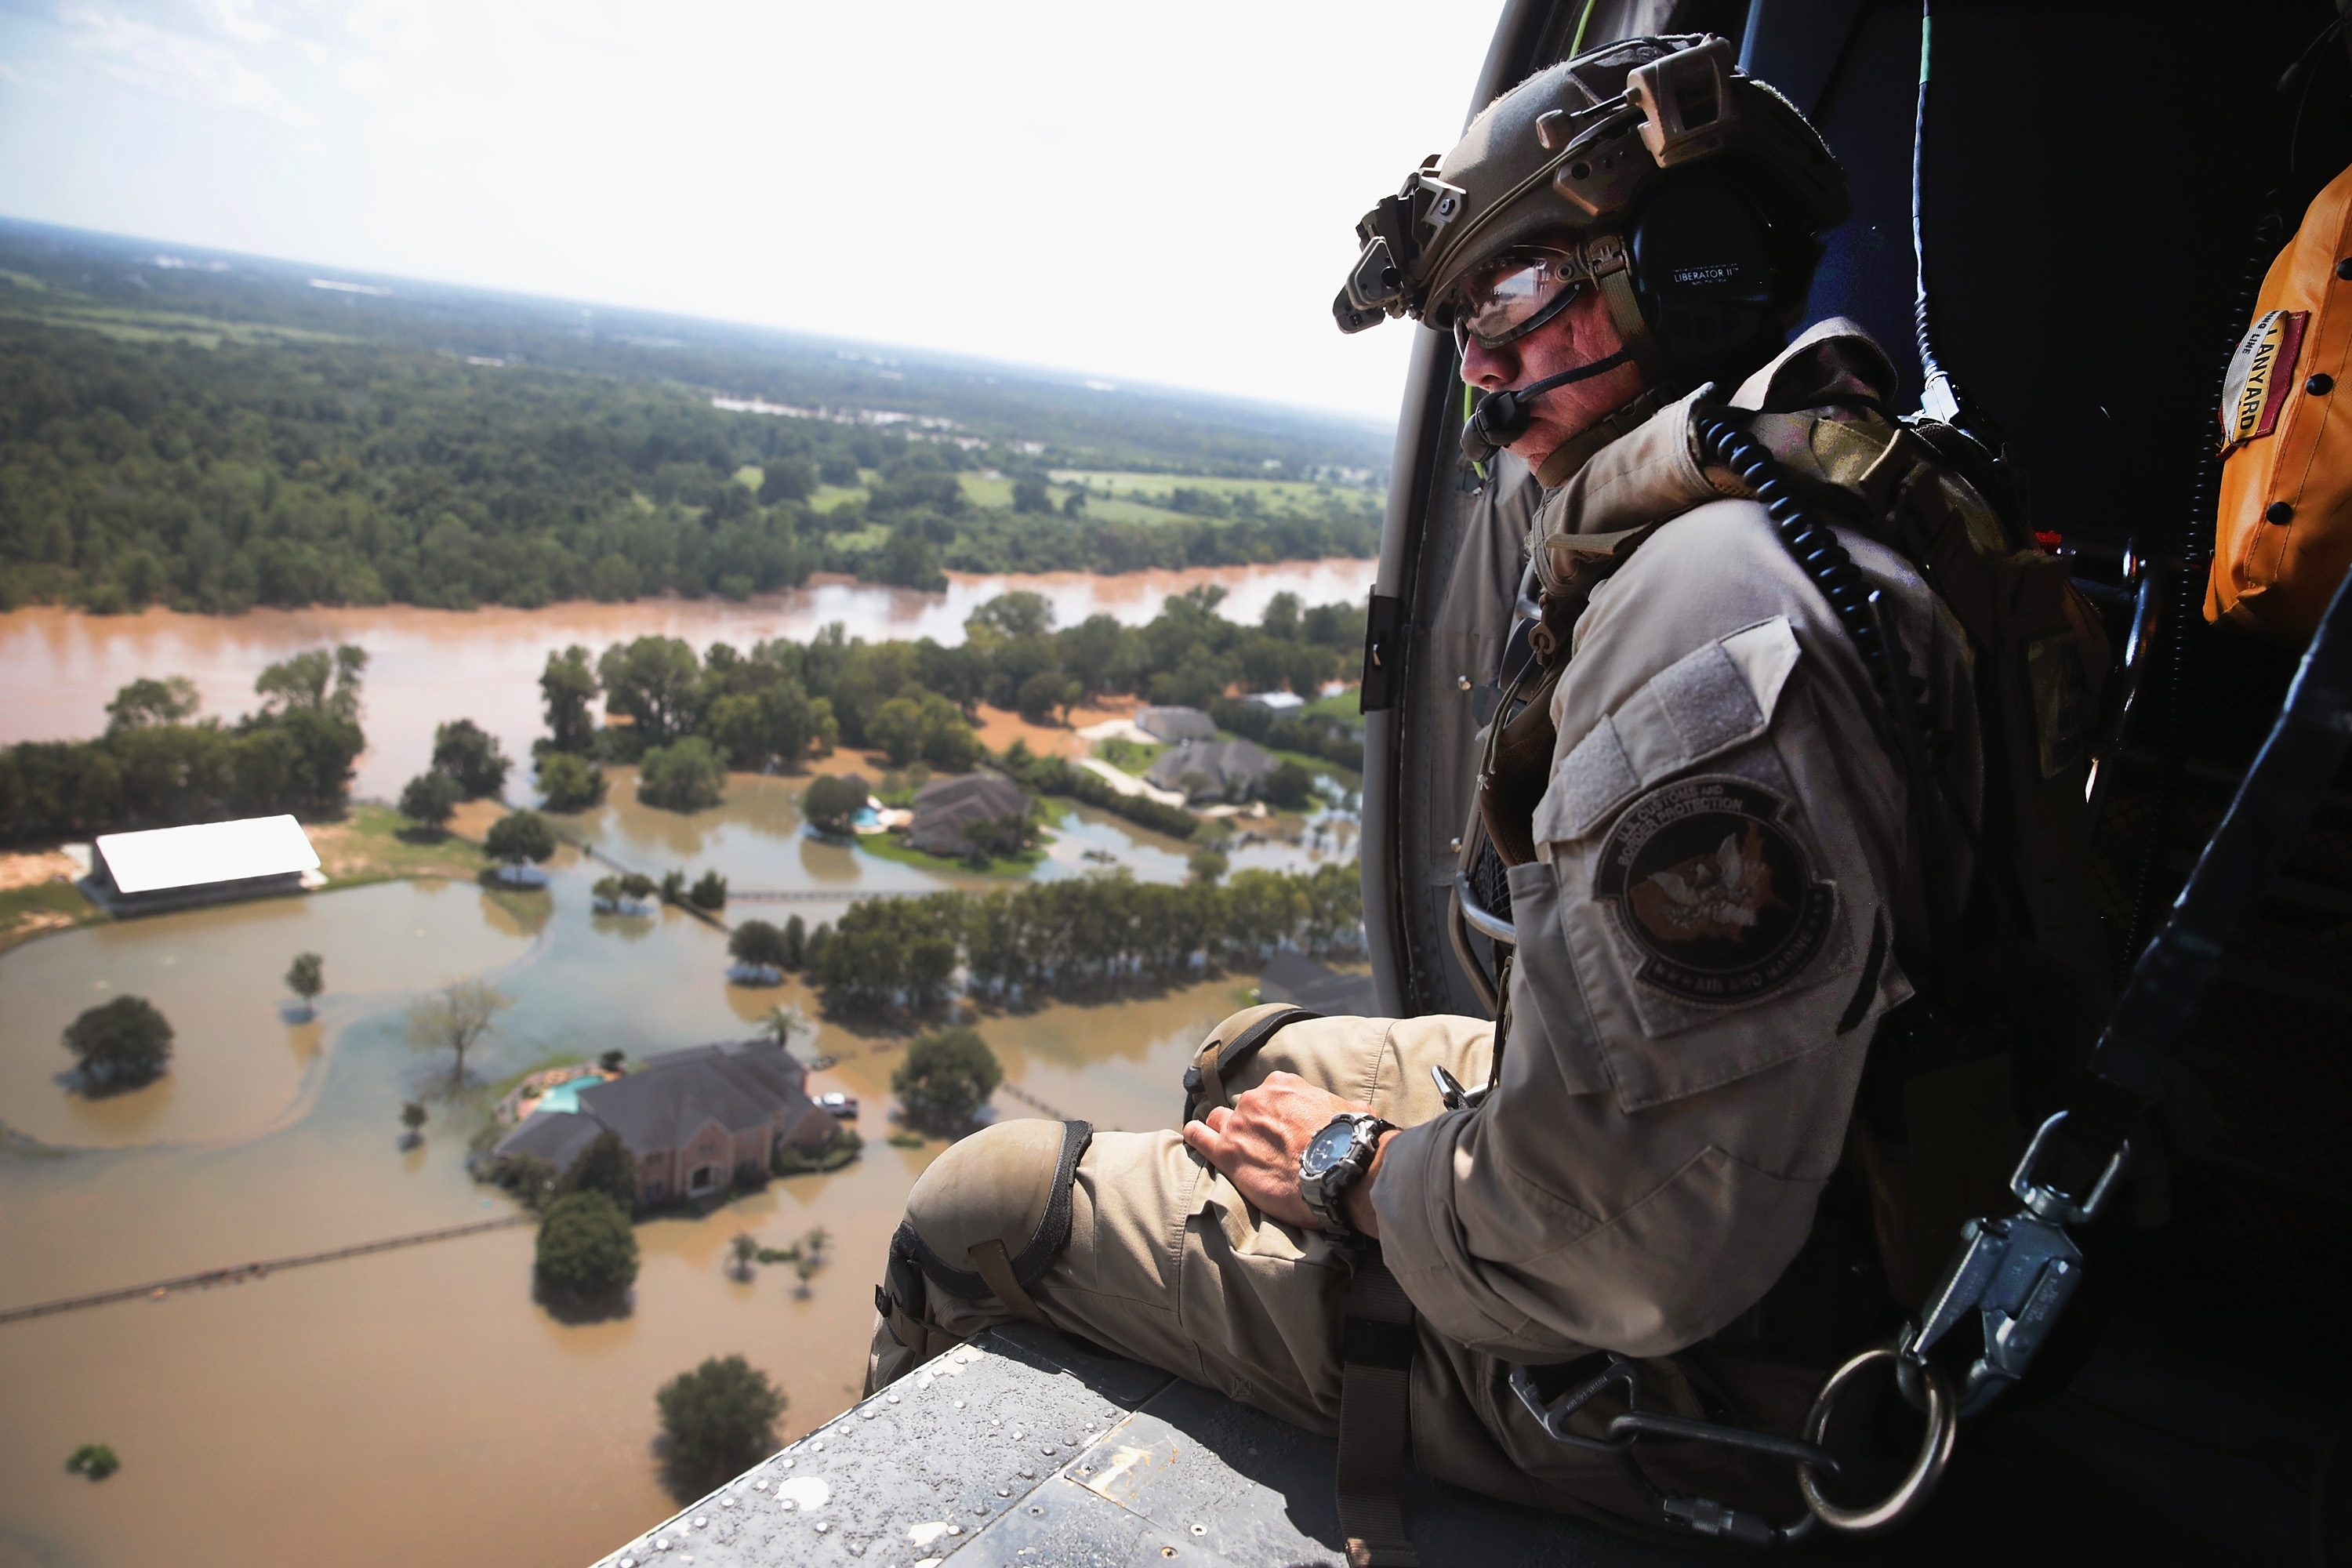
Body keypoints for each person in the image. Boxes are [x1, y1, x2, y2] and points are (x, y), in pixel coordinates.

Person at [865, 32, 2029, 1550]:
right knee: (1250, 1058)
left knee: (986, 1195)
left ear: (1687, 267)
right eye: (1462, 318)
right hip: (1845, 1216)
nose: (1477, 365)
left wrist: (1352, 1169)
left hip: (1727, 1379)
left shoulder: (1711, 612)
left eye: (1509, 294)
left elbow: (1633, 1252)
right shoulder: (1823, 512)